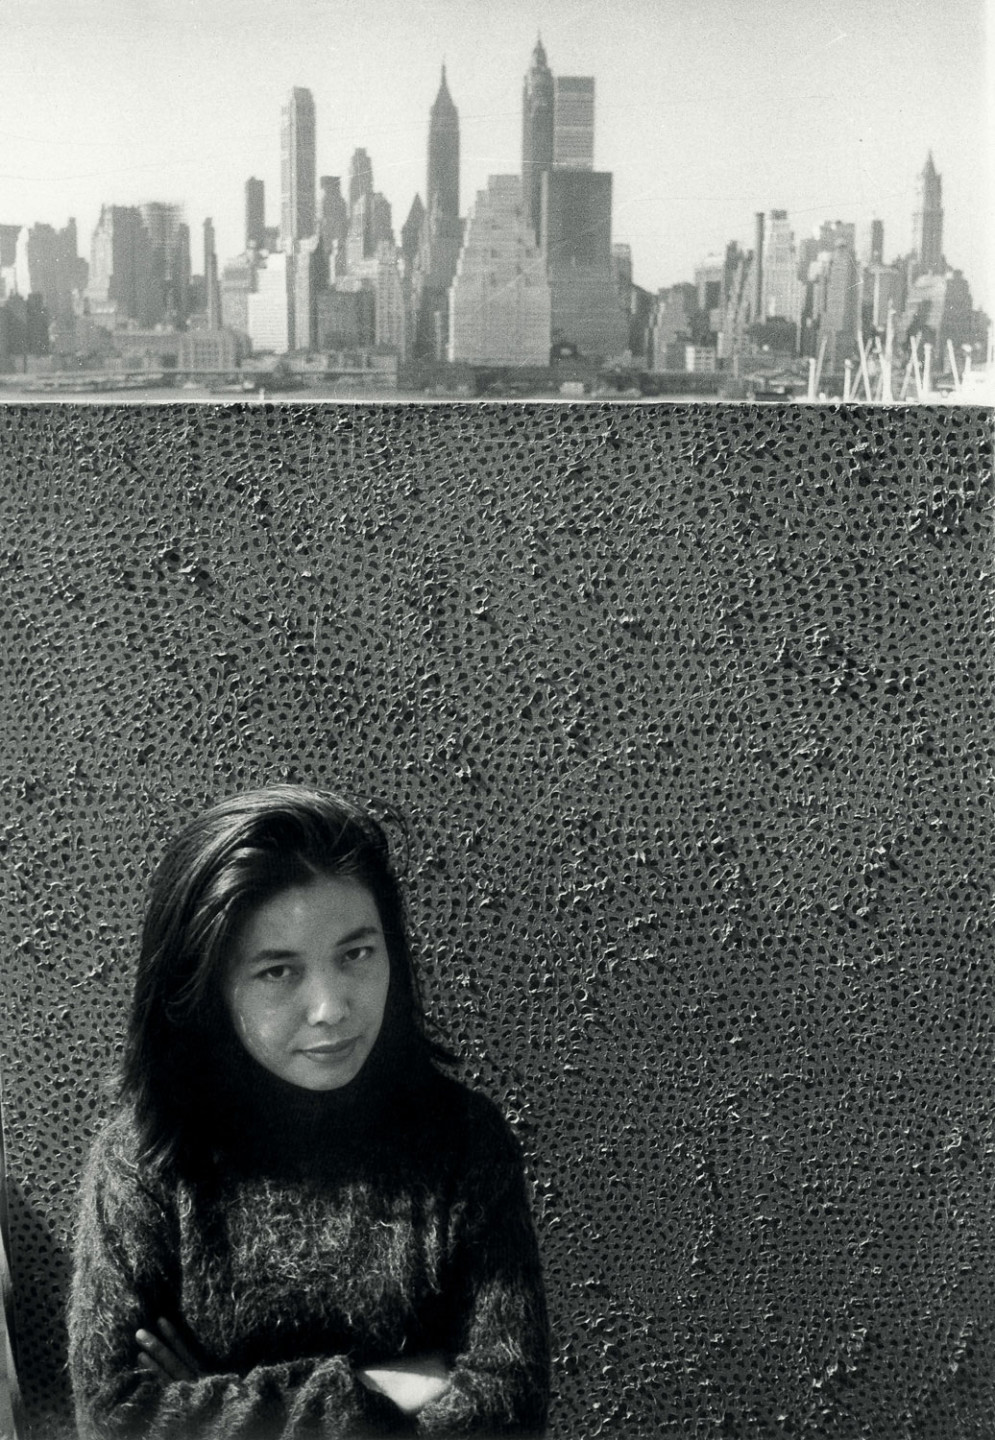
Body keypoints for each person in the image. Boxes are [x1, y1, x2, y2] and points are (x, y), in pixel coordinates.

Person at [68, 784, 550, 1438]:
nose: (331, 1006)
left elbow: (508, 1408)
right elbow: (116, 1417)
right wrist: (387, 1386)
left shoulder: (462, 1139)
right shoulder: (149, 1156)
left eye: (356, 954)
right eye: (278, 971)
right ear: (207, 985)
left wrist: (221, 1403)